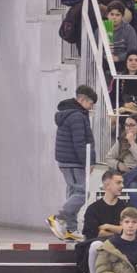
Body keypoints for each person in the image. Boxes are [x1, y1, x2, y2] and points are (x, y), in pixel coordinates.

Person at [48, 84, 97, 241]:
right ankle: (59, 217)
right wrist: (88, 162)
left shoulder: (69, 113)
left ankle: (71, 229)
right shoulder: (77, 116)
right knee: (82, 193)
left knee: (73, 193)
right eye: (90, 103)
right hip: (74, 161)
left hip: (67, 161)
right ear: (82, 99)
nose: (91, 107)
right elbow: (80, 142)